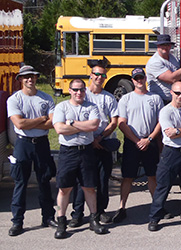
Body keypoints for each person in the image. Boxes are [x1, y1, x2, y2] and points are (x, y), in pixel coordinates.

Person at [52, 79, 107, 238]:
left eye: (82, 90)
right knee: (64, 188)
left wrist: (71, 123)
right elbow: (59, 128)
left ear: (85, 91)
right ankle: (62, 223)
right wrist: (81, 125)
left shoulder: (92, 107)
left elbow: (93, 126)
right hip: (68, 152)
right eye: (75, 90)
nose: (79, 93)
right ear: (69, 90)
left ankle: (94, 220)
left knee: (89, 187)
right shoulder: (62, 107)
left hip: (86, 151)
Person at [7, 65, 57, 236]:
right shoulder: (14, 100)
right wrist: (41, 118)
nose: (30, 79)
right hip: (23, 144)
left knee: (44, 180)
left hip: (42, 143)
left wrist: (32, 122)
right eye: (26, 77)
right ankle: (17, 222)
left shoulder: (46, 98)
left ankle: (48, 217)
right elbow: (19, 124)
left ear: (36, 78)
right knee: (21, 182)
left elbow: (52, 123)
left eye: (32, 76)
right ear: (20, 79)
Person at [148, 82, 181, 231]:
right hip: (170, 152)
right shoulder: (165, 111)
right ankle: (154, 218)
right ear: (171, 93)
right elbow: (168, 133)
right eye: (177, 93)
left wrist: (178, 131)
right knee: (163, 186)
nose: (180, 96)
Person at [69, 63, 118, 227]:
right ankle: (77, 213)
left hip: (102, 143)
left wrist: (100, 138)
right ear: (91, 75)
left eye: (103, 75)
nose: (99, 77)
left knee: (103, 180)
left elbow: (114, 122)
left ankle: (100, 211)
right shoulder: (82, 94)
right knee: (81, 181)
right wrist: (91, 138)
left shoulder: (108, 98)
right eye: (96, 74)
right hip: (84, 143)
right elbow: (75, 118)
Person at [112, 68, 164, 223]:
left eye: (141, 77)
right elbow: (121, 124)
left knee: (152, 176)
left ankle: (157, 207)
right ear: (132, 80)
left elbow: (161, 122)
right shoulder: (125, 99)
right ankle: (122, 208)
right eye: (136, 78)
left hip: (150, 141)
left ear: (145, 79)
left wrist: (149, 139)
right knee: (127, 176)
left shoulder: (155, 98)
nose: (139, 80)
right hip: (132, 142)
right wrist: (136, 141)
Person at [146, 34, 181, 104]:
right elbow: (172, 79)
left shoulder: (172, 58)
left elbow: (178, 74)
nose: (165, 47)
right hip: (160, 101)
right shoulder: (154, 62)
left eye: (167, 45)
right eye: (162, 45)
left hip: (173, 101)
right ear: (158, 46)